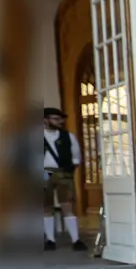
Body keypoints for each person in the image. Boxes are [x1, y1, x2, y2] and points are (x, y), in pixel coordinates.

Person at [42, 107, 87, 251]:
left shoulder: (68, 136)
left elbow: (76, 155)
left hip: (63, 173)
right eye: (56, 119)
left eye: (60, 119)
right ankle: (50, 240)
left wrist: (71, 168)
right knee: (45, 207)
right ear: (45, 120)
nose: (60, 122)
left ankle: (76, 240)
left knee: (67, 205)